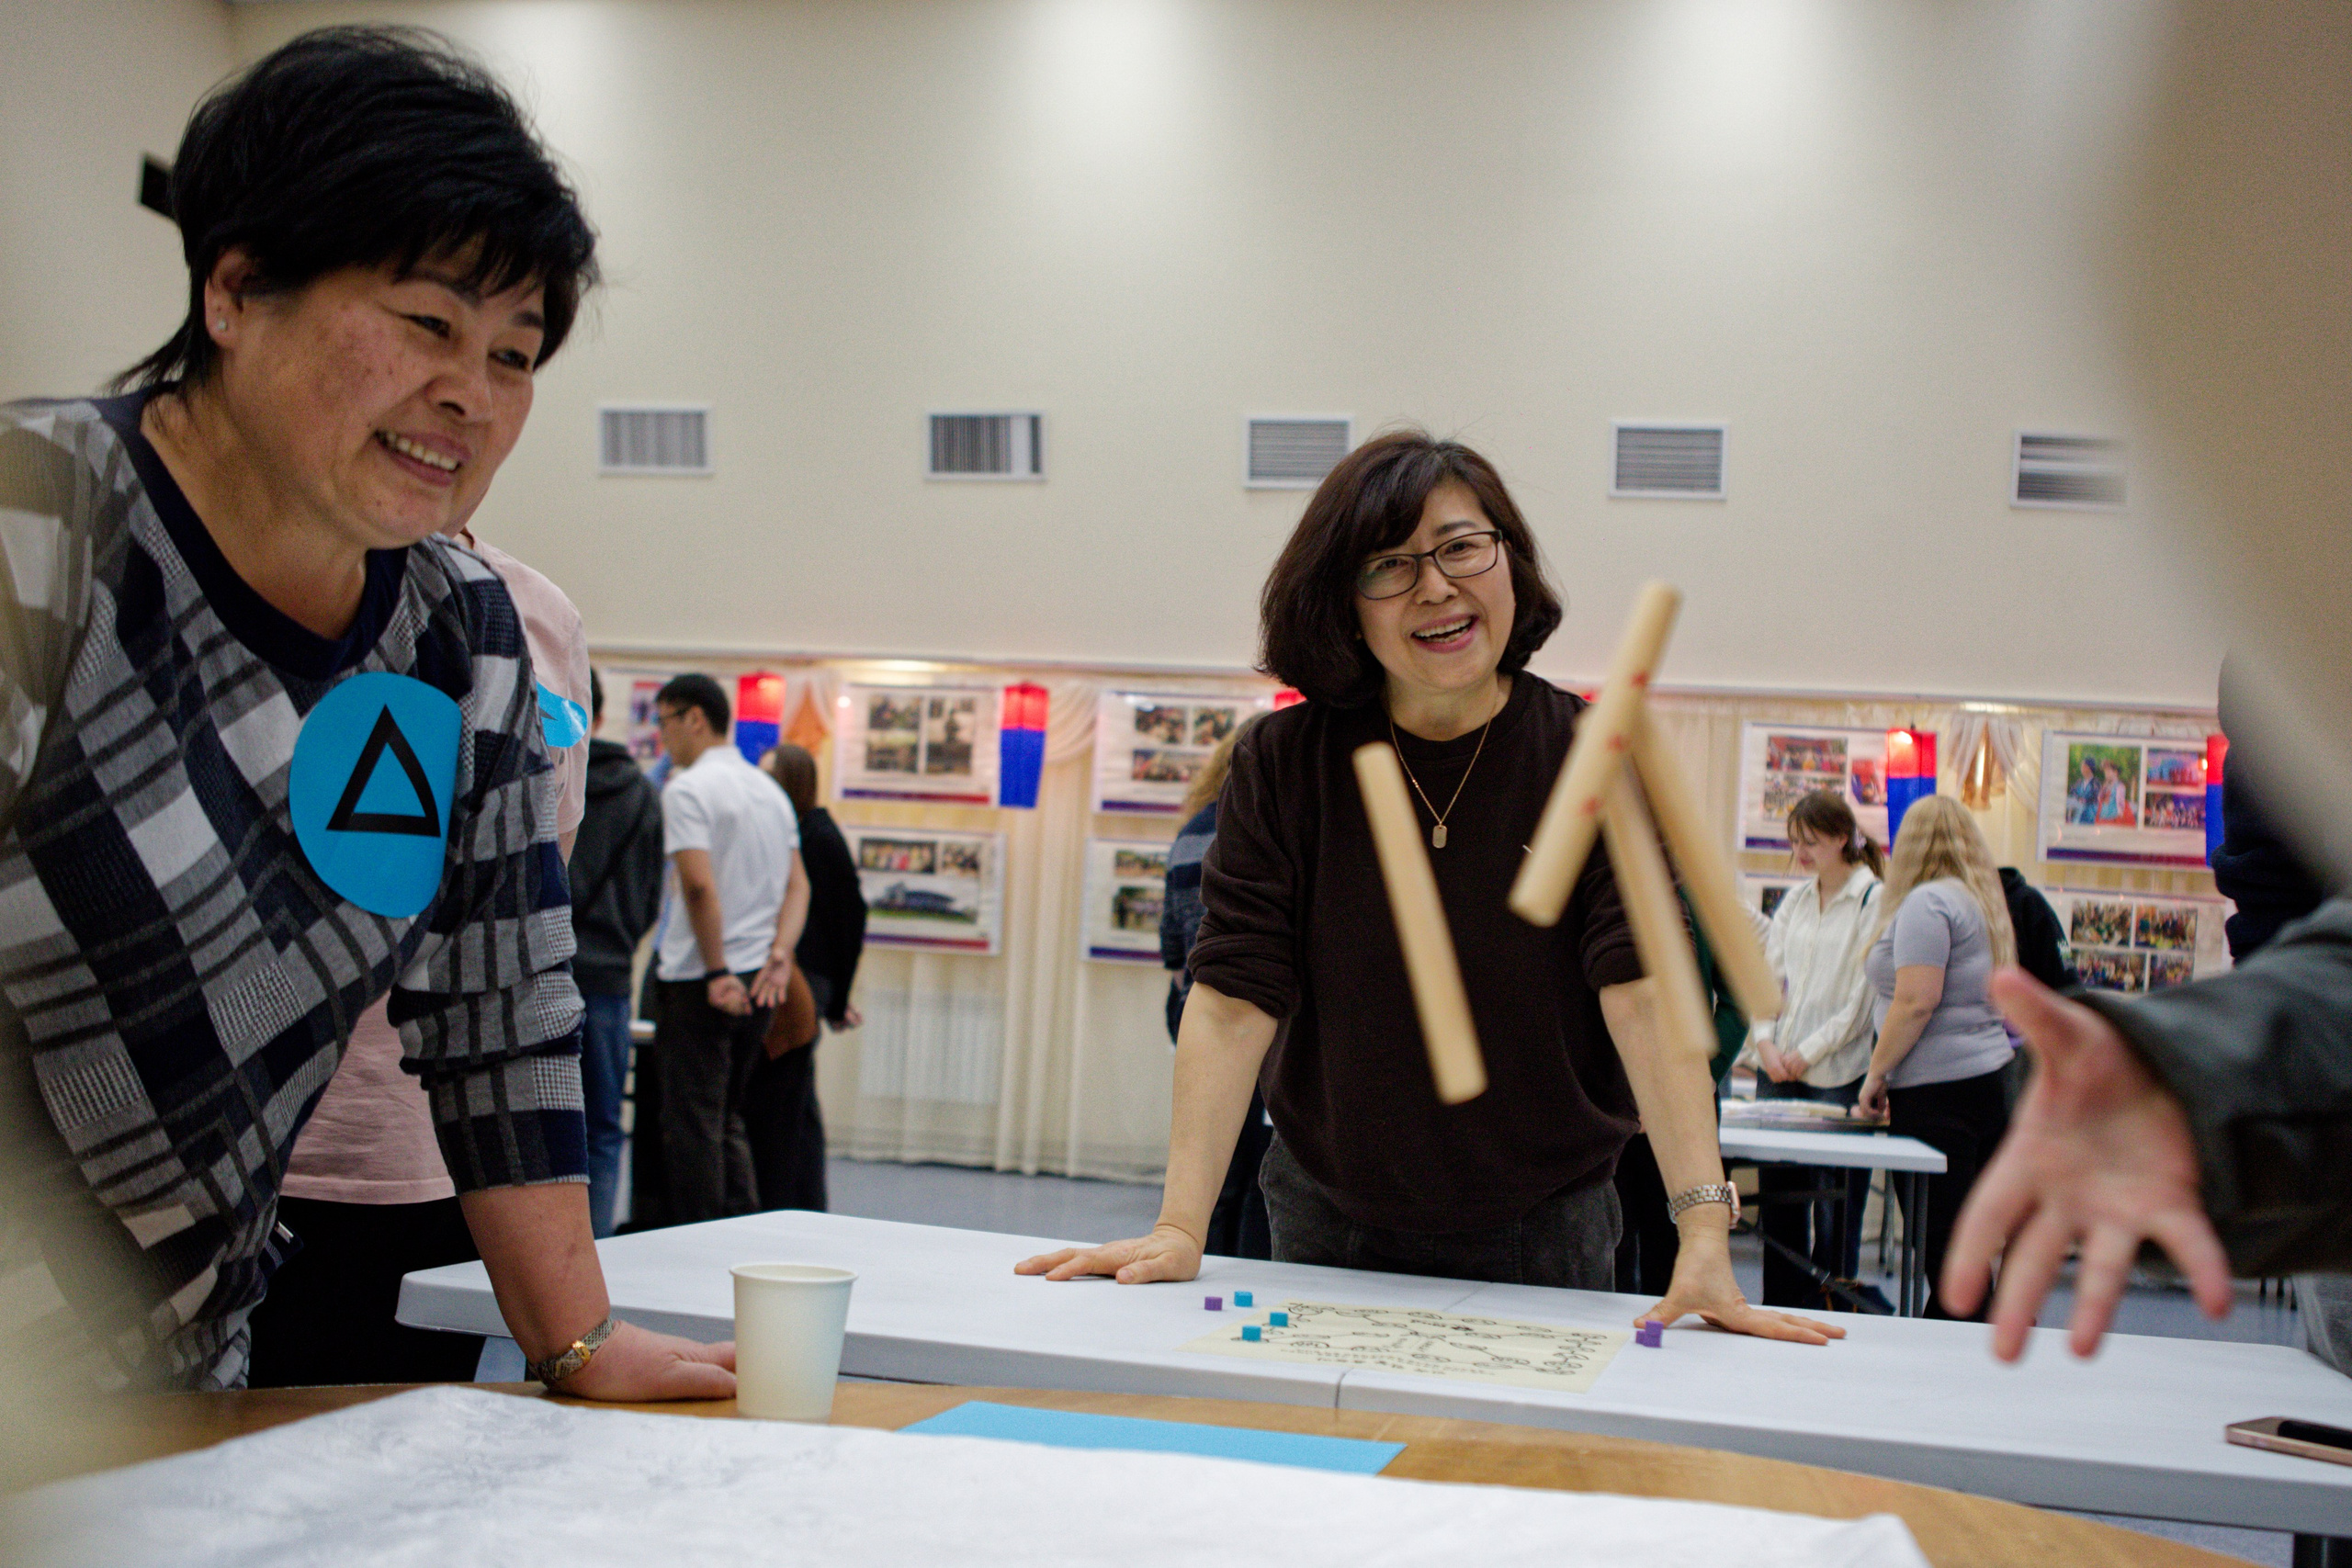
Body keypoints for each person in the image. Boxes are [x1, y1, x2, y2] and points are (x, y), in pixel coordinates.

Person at [0, 27, 728, 1398]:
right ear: (235, 290)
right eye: (427, 325)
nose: (471, 395)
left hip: (174, 1374)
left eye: (514, 355)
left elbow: (501, 1008)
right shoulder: (41, 525)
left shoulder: (460, 631)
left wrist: (576, 1339)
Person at [1019, 431, 1837, 1347]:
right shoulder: (1285, 763)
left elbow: (1645, 992)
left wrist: (1704, 1230)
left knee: (1525, 1440)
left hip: (1545, 1218)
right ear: (1344, 603)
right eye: (1390, 565)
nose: (1436, 587)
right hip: (1328, 1209)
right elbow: (1232, 998)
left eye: (1460, 547)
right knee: (1316, 1437)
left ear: (1509, 562)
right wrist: (1179, 1224)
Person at [247, 499, 593, 1387]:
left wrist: (582, 1339)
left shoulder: (529, 615)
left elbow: (520, 923)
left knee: (400, 1442)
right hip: (226, 1150)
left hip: (431, 1150)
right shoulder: (228, 572)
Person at [649, 674, 806, 1224]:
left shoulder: (688, 789)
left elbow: (698, 887)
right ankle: (739, 1231)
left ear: (694, 718)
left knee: (692, 1127)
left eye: (664, 722)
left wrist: (717, 970)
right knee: (727, 1118)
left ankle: (699, 1244)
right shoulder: (770, 791)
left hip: (704, 980)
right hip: (759, 978)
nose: (661, 736)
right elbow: (798, 887)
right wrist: (781, 953)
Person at [1855, 797, 2016, 1321]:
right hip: (1988, 1081)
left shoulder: (1927, 903)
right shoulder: (1979, 901)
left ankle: (1961, 1353)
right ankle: (1975, 1340)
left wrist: (1876, 1073)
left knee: (1946, 1252)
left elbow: (1916, 1001)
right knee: (1964, 1248)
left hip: (1938, 1094)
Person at [1739, 791, 1882, 1309]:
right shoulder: (1796, 901)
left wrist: (1808, 1052)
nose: (1800, 853)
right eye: (1794, 842)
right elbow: (1767, 979)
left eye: (1810, 842)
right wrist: (1764, 1040)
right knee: (1781, 1202)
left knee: (1837, 1211)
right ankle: (1783, 1305)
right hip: (1780, 1068)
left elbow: (1861, 1000)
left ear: (1842, 838)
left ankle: (1835, 1305)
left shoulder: (1872, 898)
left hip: (1838, 1072)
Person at [1159, 719, 1272, 1260]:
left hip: (1193, 1008)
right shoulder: (1252, 830)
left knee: (1213, 1168)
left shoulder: (1190, 833)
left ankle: (1203, 1256)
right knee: (1258, 1168)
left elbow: (1171, 948)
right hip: (1252, 1013)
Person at [1611, 896, 1754, 1298]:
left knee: (1675, 1245)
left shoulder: (1698, 892)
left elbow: (1740, 996)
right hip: (1611, 1099)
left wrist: (1706, 1073)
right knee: (1611, 1243)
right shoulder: (1601, 888)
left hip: (1682, 1093)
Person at [745, 742, 865, 1213]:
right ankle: (803, 1205)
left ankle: (782, 1205)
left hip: (802, 981)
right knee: (798, 1106)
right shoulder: (802, 831)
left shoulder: (817, 836)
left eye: (769, 777)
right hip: (805, 979)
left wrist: (834, 998)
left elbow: (849, 918)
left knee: (784, 1104)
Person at [571, 669, 667, 1237]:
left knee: (526, 1128)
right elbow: (653, 897)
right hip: (607, 979)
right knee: (603, 1128)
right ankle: (597, 1249)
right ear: (601, 716)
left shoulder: (545, 782)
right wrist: (619, 940)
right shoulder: (642, 793)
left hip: (540, 975)